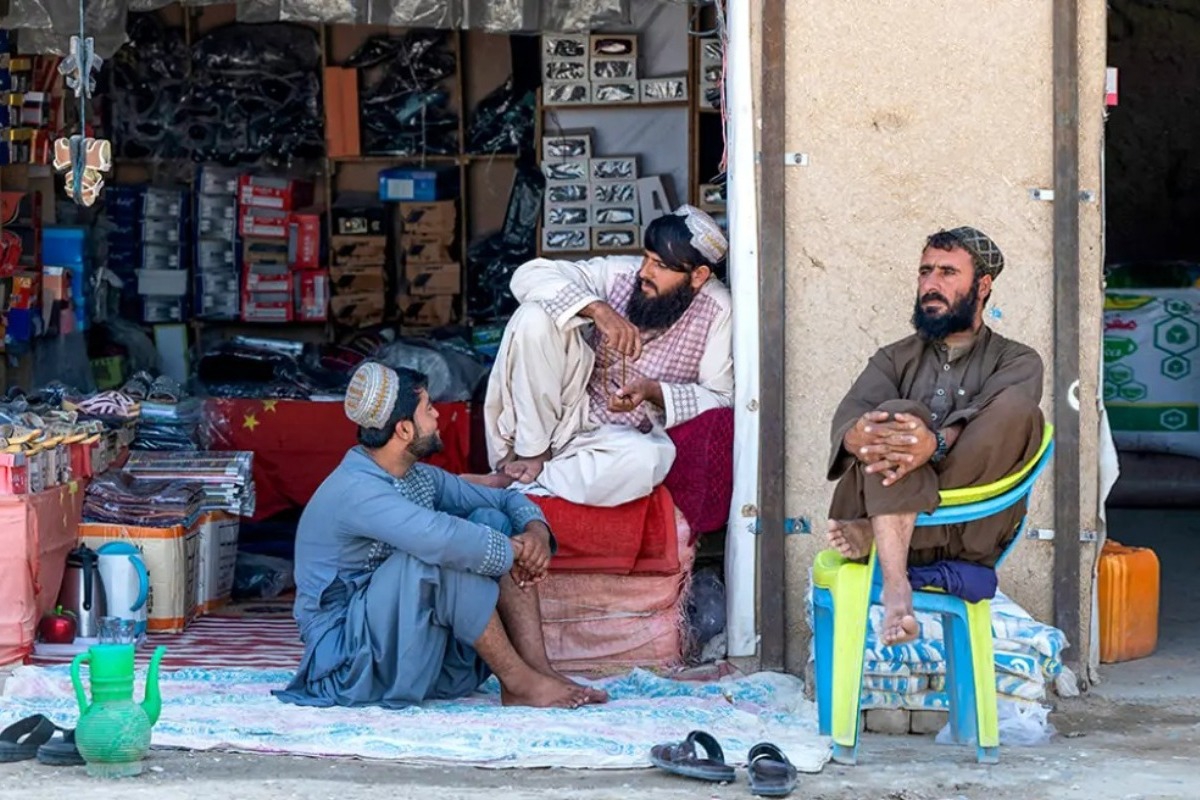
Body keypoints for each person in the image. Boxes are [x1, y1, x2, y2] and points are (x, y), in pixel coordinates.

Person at [274, 362, 607, 710]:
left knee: (489, 520)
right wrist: (516, 551)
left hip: (409, 650)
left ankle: (538, 671)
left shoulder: (416, 476)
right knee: (438, 556)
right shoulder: (357, 489)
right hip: (348, 664)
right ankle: (518, 682)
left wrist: (535, 534)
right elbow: (441, 539)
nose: (437, 415)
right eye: (428, 408)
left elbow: (503, 499)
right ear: (404, 430)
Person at [825, 226, 1044, 646]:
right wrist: (870, 433)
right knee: (893, 415)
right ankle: (897, 587)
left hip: (969, 530)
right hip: (885, 500)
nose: (931, 284)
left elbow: (1003, 417)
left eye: (947, 272)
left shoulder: (1018, 360)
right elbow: (848, 422)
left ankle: (882, 536)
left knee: (1020, 412)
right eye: (925, 271)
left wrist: (936, 442)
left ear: (982, 286)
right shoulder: (894, 357)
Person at [477, 204, 733, 507]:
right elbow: (528, 274)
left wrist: (654, 391)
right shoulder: (618, 274)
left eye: (660, 266)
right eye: (646, 258)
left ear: (699, 275)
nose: (644, 272)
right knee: (534, 317)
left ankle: (527, 480)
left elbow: (722, 398)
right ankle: (531, 456)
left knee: (648, 459)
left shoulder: (718, 310)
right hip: (559, 416)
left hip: (611, 440)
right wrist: (597, 309)